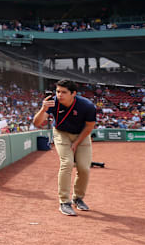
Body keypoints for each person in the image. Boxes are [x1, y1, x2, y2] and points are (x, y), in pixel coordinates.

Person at [33, 79, 97, 216]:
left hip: (82, 135)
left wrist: (76, 143)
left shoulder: (87, 106)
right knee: (67, 163)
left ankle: (78, 198)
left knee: (84, 168)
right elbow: (37, 123)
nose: (59, 95)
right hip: (61, 134)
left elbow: (90, 127)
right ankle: (64, 202)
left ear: (74, 93)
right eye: (58, 91)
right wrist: (43, 108)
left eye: (64, 92)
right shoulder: (52, 102)